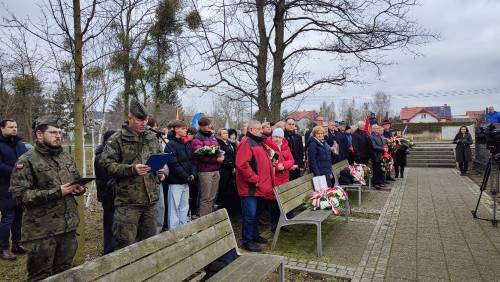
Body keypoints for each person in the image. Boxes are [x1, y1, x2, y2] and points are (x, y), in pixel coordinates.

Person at [10, 116, 85, 281]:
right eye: (52, 132)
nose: (58, 136)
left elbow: (75, 179)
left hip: (67, 228)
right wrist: (57, 192)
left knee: (65, 272)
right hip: (42, 231)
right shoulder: (26, 160)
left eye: (59, 132)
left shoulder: (65, 156)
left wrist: (79, 188)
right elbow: (21, 196)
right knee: (40, 276)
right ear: (39, 135)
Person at [100, 99, 165, 250]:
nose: (144, 123)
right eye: (139, 120)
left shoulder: (151, 137)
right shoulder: (117, 139)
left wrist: (161, 172)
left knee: (148, 244)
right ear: (130, 117)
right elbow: (106, 165)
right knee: (125, 245)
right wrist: (132, 169)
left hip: (150, 201)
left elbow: (160, 157)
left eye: (146, 120)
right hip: (128, 203)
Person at [235, 120, 274, 252]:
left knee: (257, 214)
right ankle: (247, 240)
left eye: (261, 129)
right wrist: (255, 179)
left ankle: (255, 235)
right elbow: (242, 165)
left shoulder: (259, 142)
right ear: (251, 129)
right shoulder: (246, 143)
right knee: (249, 215)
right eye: (258, 129)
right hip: (250, 187)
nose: (261, 131)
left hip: (260, 187)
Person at [0, 119, 28, 260]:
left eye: (15, 126)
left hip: (21, 187)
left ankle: (17, 244)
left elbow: (27, 161)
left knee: (19, 217)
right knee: (8, 218)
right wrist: (15, 172)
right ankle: (3, 248)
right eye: (11, 127)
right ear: (2, 128)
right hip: (5, 188)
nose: (14, 129)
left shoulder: (20, 144)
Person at [164, 120, 196, 229]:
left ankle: (184, 230)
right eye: (183, 128)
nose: (185, 130)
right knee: (174, 208)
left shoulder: (186, 143)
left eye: (185, 128)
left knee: (184, 207)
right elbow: (173, 164)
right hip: (175, 182)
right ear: (176, 129)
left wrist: (193, 174)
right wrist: (185, 176)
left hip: (186, 181)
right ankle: (173, 231)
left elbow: (192, 161)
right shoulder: (170, 145)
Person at [191, 117, 224, 216]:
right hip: (205, 171)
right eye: (208, 124)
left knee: (212, 197)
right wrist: (216, 159)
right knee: (205, 197)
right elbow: (199, 156)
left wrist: (221, 155)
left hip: (215, 170)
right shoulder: (197, 138)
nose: (210, 126)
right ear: (202, 126)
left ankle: (210, 217)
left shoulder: (212, 137)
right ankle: (204, 219)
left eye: (210, 124)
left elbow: (218, 149)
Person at [265, 128, 296, 232]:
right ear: (272, 136)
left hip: (284, 179)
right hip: (273, 180)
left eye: (279, 137)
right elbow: (269, 163)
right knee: (273, 205)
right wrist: (278, 167)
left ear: (282, 138)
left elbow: (291, 161)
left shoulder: (285, 147)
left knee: (281, 204)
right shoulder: (269, 147)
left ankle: (282, 224)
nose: (277, 139)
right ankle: (274, 226)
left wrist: (285, 165)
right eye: (275, 136)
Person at [94, 130, 116, 255]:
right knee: (109, 221)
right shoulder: (101, 157)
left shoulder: (112, 154)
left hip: (114, 193)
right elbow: (108, 176)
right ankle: (108, 249)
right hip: (107, 194)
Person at [148, 117, 168, 234]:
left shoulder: (157, 143)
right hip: (143, 183)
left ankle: (157, 235)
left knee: (160, 209)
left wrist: (164, 173)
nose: (156, 130)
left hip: (157, 181)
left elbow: (164, 161)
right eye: (154, 127)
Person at [216, 128, 238, 214]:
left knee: (231, 189)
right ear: (220, 135)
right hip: (224, 169)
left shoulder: (230, 143)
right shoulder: (219, 144)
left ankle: (231, 208)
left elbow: (234, 155)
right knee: (224, 188)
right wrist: (231, 167)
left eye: (226, 133)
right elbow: (222, 158)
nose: (226, 134)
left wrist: (235, 167)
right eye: (224, 133)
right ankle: (223, 208)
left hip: (232, 168)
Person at [370, 125, 386, 189]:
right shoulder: (371, 137)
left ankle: (379, 182)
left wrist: (385, 147)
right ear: (372, 129)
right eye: (375, 128)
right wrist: (383, 148)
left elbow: (383, 144)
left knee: (380, 170)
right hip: (375, 155)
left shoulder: (379, 136)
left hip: (381, 155)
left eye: (378, 128)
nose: (377, 129)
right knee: (375, 170)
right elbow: (374, 146)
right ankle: (375, 183)